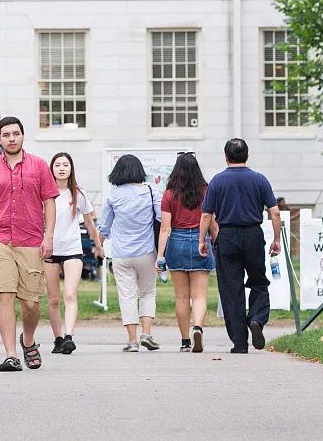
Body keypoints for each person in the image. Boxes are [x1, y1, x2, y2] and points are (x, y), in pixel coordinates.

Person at [0, 116, 59, 373]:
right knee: (4, 295)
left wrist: (49, 235)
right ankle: (10, 355)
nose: (11, 138)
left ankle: (28, 340)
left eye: (15, 134)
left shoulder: (39, 166)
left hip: (31, 239)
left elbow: (50, 202)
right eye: (6, 134)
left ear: (22, 136)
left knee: (31, 303)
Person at [198, 138, 281, 354]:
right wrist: (277, 239)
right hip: (253, 234)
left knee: (231, 289)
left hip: (227, 237)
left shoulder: (217, 181)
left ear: (226, 157)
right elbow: (275, 212)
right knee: (258, 282)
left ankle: (239, 343)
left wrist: (202, 240)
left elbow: (207, 214)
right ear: (247, 156)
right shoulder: (259, 179)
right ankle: (256, 319)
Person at [99, 154, 162, 353]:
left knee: (126, 295)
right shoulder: (151, 191)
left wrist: (98, 246)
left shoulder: (113, 195)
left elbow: (104, 226)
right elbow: (161, 218)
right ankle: (147, 334)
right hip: (146, 252)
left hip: (121, 254)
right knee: (147, 292)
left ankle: (132, 341)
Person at [157, 152, 216, 353]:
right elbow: (211, 219)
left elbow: (164, 228)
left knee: (182, 297)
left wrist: (160, 255)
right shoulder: (206, 191)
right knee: (199, 295)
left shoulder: (169, 195)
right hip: (201, 241)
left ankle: (184, 341)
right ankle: (197, 327)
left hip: (177, 242)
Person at [45, 152, 103, 355]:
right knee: (53, 298)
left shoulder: (79, 193)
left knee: (70, 294)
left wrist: (98, 245)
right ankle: (58, 338)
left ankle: (69, 337)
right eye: (57, 165)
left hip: (72, 249)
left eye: (65, 165)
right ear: (51, 168)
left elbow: (89, 222)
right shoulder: (44, 192)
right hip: (49, 251)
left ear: (71, 169)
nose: (61, 168)